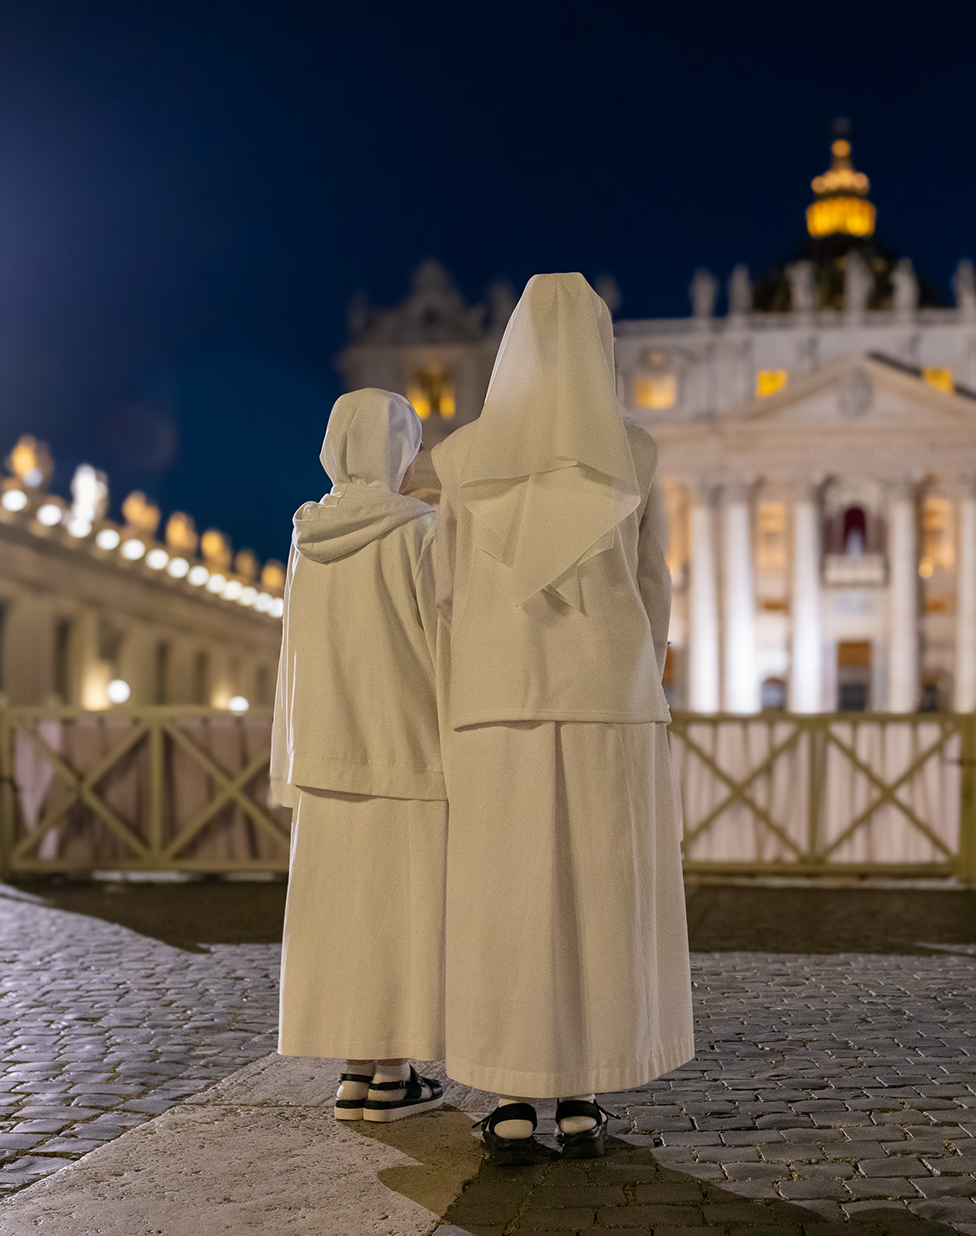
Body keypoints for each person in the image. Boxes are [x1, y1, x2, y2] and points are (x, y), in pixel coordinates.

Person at [432, 273, 693, 1163]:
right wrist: (639, 676)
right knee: (598, 892)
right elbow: (656, 588)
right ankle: (584, 1090)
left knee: (504, 898)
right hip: (606, 703)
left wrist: (457, 689)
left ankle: (509, 1092)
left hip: (496, 703)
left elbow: (445, 593)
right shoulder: (634, 453)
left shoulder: (462, 459)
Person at [270, 389, 447, 1124]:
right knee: (397, 916)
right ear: (400, 449)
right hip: (407, 746)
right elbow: (444, 646)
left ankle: (351, 1070)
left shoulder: (308, 534)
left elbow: (291, 654)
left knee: (338, 916)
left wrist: (289, 759)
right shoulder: (422, 530)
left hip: (324, 749)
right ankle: (394, 1074)